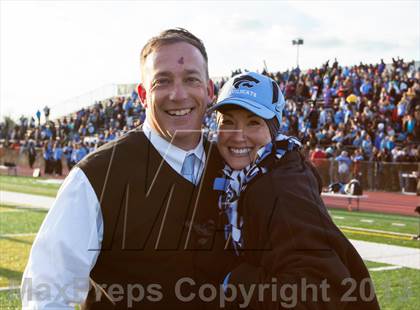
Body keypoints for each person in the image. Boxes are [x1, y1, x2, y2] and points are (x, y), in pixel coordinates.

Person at [21, 28, 232, 309]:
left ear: (208, 91)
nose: (178, 94)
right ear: (143, 95)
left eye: (191, 79)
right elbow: (46, 292)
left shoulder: (234, 165)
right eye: (162, 81)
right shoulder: (96, 176)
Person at [211, 72, 380, 309]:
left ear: (273, 128)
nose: (238, 136)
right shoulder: (250, 174)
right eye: (228, 122)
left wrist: (234, 279)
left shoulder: (281, 189)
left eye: (253, 122)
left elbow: (316, 292)